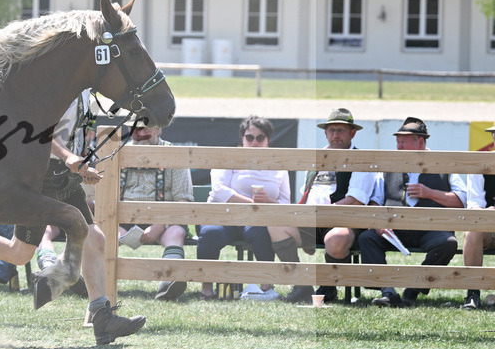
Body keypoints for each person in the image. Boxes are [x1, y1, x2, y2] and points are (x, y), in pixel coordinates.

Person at [0, 92, 146, 346]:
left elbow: (72, 136)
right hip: (39, 177)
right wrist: (68, 157)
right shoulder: (60, 85)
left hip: (64, 178)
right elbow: (36, 131)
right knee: (36, 250)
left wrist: (81, 165)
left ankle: (102, 319)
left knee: (68, 245)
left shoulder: (84, 92)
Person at [170, 115, 302, 301]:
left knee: (262, 231)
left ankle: (266, 287)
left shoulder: (278, 165)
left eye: (260, 138)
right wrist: (254, 204)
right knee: (211, 233)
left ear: (268, 140)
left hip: (257, 221)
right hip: (222, 218)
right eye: (249, 137)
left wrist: (267, 203)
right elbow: (219, 191)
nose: (254, 142)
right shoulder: (227, 157)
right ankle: (207, 288)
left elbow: (285, 203)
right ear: (242, 138)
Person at [358, 117, 467, 308]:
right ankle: (388, 291)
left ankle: (413, 289)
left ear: (421, 142)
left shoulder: (444, 164)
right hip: (395, 230)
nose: (398, 147)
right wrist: (379, 223)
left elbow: (461, 201)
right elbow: (375, 200)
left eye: (403, 142)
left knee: (448, 243)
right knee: (367, 238)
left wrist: (429, 193)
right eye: (398, 142)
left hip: (431, 229)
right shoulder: (388, 165)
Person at [296, 108, 383, 304]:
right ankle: (300, 286)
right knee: (278, 227)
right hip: (311, 219)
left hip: (344, 220)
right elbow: (305, 193)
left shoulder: (361, 160)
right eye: (331, 130)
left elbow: (356, 200)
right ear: (325, 133)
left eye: (341, 130)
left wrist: (323, 213)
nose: (335, 135)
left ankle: (328, 287)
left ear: (353, 133)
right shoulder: (316, 159)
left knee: (338, 237)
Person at [117, 123, 194, 301]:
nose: (142, 133)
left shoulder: (175, 154)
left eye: (147, 129)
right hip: (124, 218)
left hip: (165, 218)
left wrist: (160, 225)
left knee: (175, 233)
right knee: (106, 235)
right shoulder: (118, 153)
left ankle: (171, 280)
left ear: (159, 129)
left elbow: (183, 199)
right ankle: (90, 279)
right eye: (137, 129)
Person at [461, 120, 495, 310]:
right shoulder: (480, 164)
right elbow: (474, 204)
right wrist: (487, 215)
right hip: (488, 228)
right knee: (473, 229)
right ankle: (473, 293)